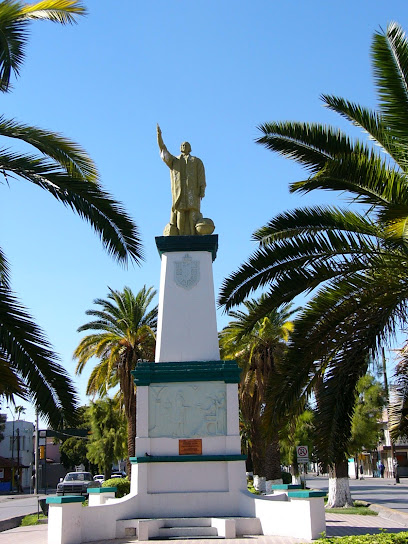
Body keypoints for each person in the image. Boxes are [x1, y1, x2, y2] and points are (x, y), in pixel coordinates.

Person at [157, 124, 206, 236]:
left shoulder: (196, 161)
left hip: (192, 192)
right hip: (179, 192)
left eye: (186, 145)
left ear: (190, 148)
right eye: (182, 145)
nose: (184, 146)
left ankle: (193, 235)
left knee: (193, 212)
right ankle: (181, 234)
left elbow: (201, 175)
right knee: (180, 213)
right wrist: (159, 137)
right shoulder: (175, 161)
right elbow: (163, 151)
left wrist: (202, 189)